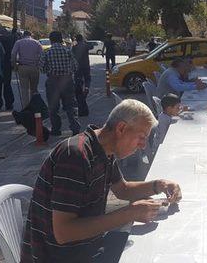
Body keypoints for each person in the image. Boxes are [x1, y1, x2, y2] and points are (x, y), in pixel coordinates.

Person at [20, 99, 182, 263]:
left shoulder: (104, 149)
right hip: (58, 256)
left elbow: (122, 189)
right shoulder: (74, 155)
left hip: (88, 247)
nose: (142, 145)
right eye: (141, 137)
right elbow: (64, 232)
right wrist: (130, 213)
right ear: (121, 128)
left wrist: (160, 185)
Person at [40, 31, 81, 136]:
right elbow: (75, 66)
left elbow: (41, 68)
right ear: (60, 39)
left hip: (53, 81)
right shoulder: (67, 51)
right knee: (70, 106)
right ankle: (75, 128)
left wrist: (50, 70)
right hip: (67, 80)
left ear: (51, 40)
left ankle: (56, 129)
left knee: (53, 108)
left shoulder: (47, 52)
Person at [11, 31, 43, 108]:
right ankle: (34, 107)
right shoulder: (37, 43)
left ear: (23, 35)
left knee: (24, 90)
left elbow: (13, 54)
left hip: (23, 67)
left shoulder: (19, 42)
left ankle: (26, 108)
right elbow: (42, 55)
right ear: (31, 35)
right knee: (34, 89)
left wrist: (14, 65)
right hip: (34, 67)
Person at [0, 30, 16, 111]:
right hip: (7, 64)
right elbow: (12, 53)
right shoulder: (8, 41)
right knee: (7, 84)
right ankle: (9, 103)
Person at [72, 34, 91, 117]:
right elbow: (91, 47)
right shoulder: (85, 46)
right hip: (86, 65)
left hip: (78, 66)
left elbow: (72, 54)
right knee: (87, 78)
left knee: (78, 80)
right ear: (82, 39)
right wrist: (85, 41)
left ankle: (79, 88)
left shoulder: (74, 47)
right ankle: (86, 88)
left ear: (76, 39)